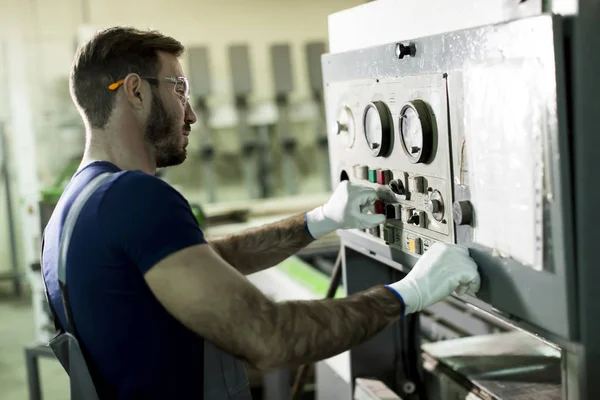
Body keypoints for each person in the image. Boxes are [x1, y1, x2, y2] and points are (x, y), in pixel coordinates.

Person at [42, 27, 481, 399]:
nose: (191, 113)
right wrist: (409, 294)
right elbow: (270, 337)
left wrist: (319, 221)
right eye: (180, 90)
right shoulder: (134, 196)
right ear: (136, 91)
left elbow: (208, 260)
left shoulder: (74, 209)